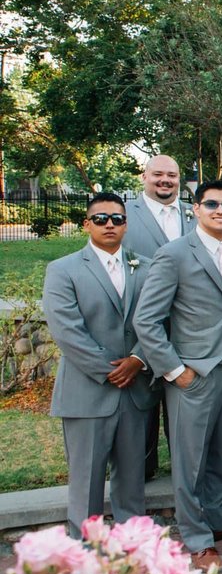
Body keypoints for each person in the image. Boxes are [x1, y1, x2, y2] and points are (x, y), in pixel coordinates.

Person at [133, 180, 222, 573]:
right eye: (212, 204)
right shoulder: (173, 254)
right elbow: (147, 319)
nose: (221, 210)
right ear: (195, 209)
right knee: (190, 460)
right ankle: (195, 537)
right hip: (193, 374)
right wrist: (175, 370)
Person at [43, 193, 156, 538]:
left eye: (118, 218)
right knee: (87, 478)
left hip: (135, 389)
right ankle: (85, 547)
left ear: (126, 224)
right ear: (87, 224)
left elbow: (159, 319)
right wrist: (110, 369)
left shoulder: (148, 267)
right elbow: (66, 329)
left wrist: (138, 359)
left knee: (132, 475)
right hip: (87, 390)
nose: (110, 224)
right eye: (102, 218)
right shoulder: (63, 270)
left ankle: (132, 540)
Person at [124, 154, 194, 481]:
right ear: (144, 176)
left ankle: (187, 473)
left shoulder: (195, 215)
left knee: (186, 413)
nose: (165, 180)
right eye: (158, 175)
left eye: (172, 175)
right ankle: (142, 470)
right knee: (141, 410)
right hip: (139, 329)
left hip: (187, 329)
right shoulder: (124, 216)